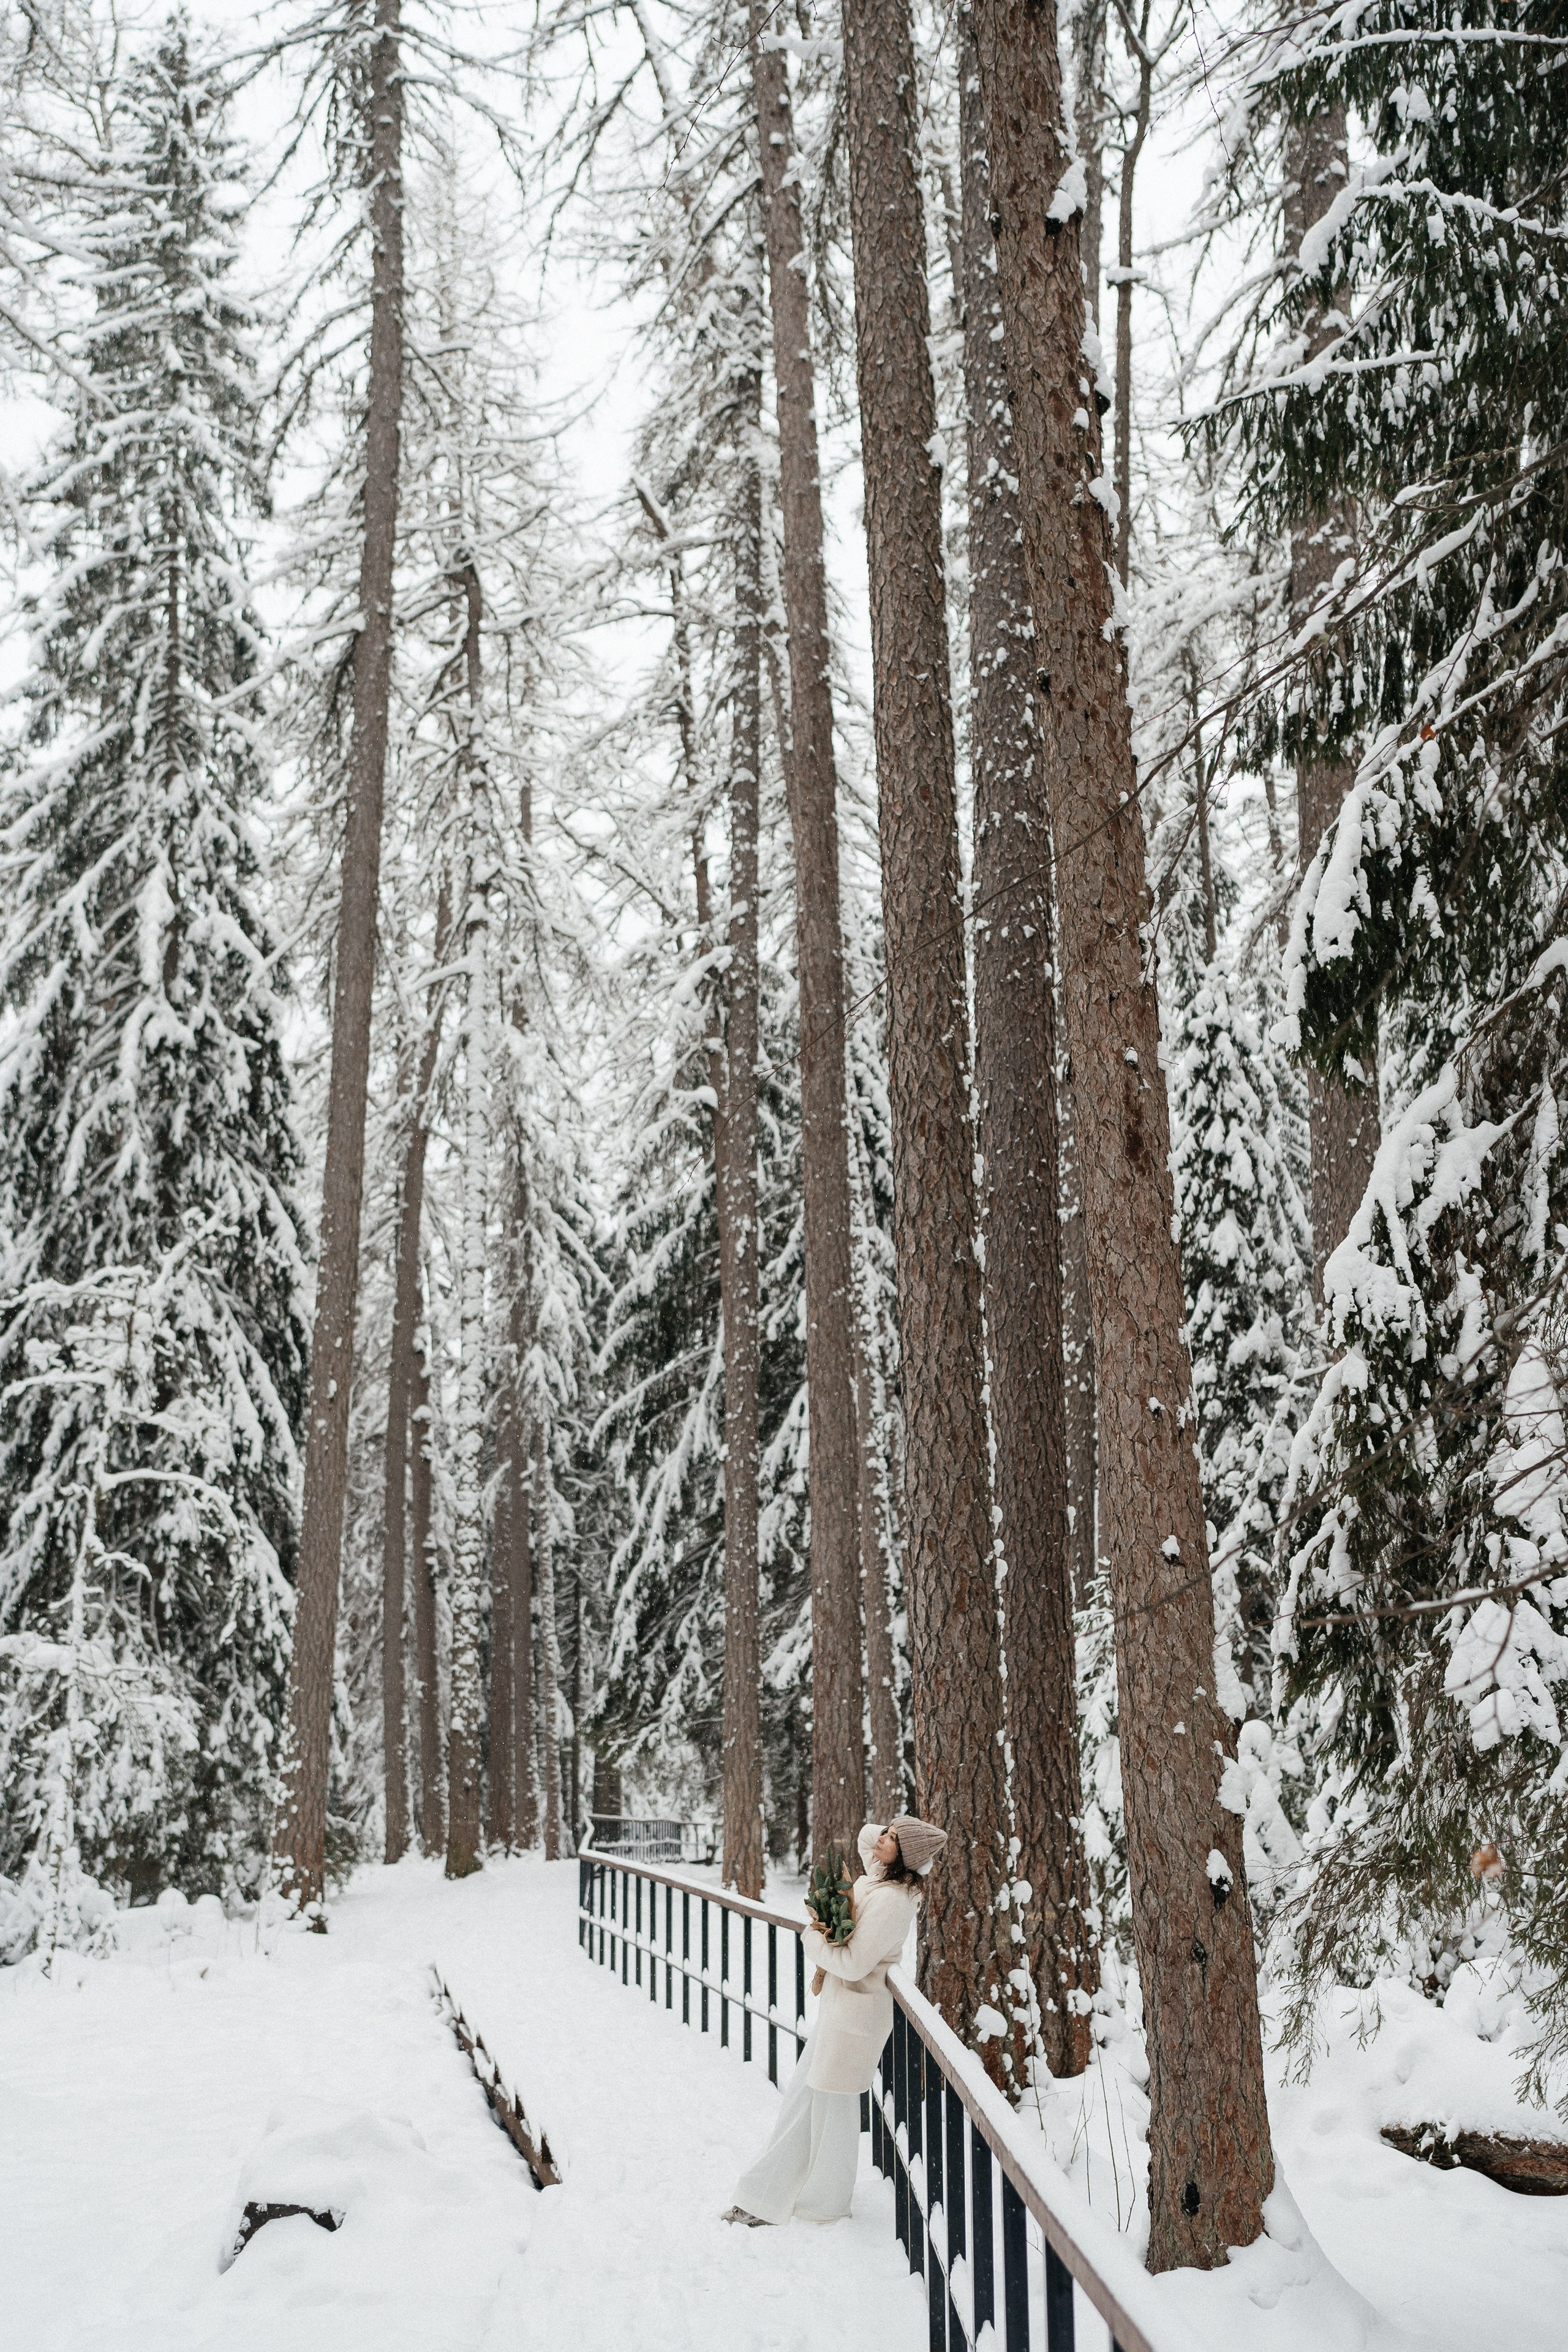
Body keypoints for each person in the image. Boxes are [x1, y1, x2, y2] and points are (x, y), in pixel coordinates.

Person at [723, 1814, 948, 2228]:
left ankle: (818, 2207)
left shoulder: (892, 1901)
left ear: (907, 1857)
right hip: (841, 2016)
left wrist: (812, 1936)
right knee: (807, 2105)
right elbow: (866, 1840)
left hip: (855, 2021)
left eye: (893, 1839)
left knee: (833, 2117)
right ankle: (771, 2198)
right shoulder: (878, 1881)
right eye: (887, 1831)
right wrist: (892, 1833)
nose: (881, 1839)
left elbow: (853, 1964)